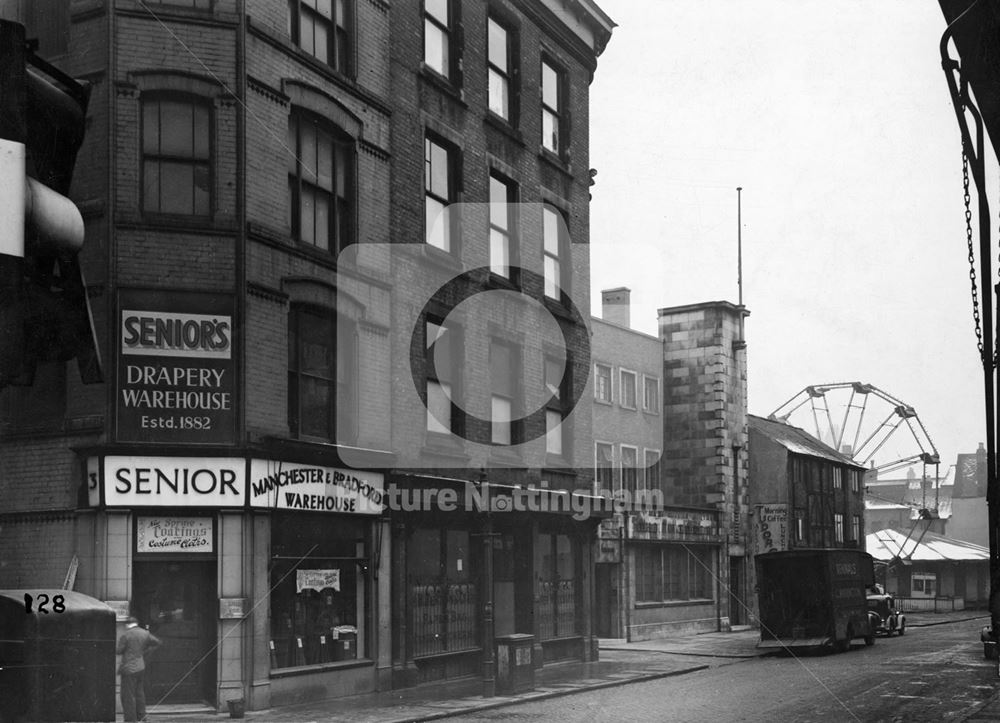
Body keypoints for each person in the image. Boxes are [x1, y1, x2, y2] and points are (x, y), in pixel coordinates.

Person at [116, 617, 162, 722]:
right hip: (141, 667)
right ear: (136, 623)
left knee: (128, 696)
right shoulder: (144, 633)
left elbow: (119, 651)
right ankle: (142, 717)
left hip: (128, 668)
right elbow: (157, 642)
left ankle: (130, 720)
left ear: (127, 625)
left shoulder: (126, 634)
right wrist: (145, 652)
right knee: (139, 694)